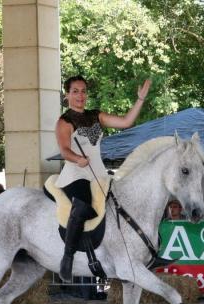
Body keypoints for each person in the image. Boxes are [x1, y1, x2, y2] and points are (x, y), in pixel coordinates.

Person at [55, 75, 151, 282]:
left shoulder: (96, 116)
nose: (80, 95)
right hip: (76, 175)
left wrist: (140, 99)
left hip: (99, 174)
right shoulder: (64, 121)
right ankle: (67, 257)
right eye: (75, 91)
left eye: (83, 91)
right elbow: (64, 150)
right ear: (67, 95)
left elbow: (126, 122)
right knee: (82, 206)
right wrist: (77, 158)